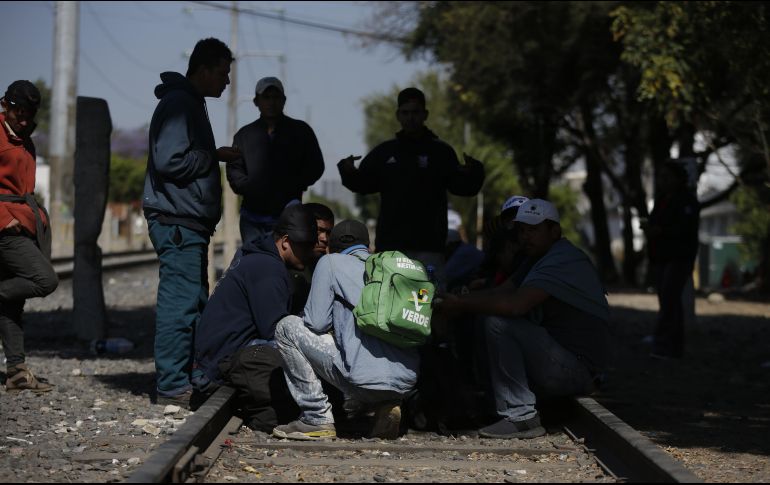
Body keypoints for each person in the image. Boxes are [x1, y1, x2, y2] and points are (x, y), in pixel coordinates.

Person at [434, 199, 610, 439]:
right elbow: (501, 292)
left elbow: (516, 305)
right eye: (523, 230)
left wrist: (460, 304)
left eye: (534, 230)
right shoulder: (537, 257)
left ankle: (521, 416)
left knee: (498, 325)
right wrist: (459, 300)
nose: (526, 237)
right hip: (560, 361)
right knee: (485, 316)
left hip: (579, 371)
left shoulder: (563, 259)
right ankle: (494, 406)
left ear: (554, 231)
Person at [142, 37, 242, 407]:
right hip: (178, 222)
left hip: (187, 223)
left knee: (194, 301)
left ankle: (188, 376)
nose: (227, 81)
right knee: (180, 305)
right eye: (222, 73)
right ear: (203, 70)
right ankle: (171, 385)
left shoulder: (189, 102)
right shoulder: (180, 104)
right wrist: (212, 156)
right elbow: (170, 161)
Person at [272, 220, 420, 440]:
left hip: (363, 381)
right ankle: (387, 405)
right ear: (367, 247)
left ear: (332, 247)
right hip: (405, 383)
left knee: (286, 328)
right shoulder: (390, 270)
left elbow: (316, 323)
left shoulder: (330, 262)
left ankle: (316, 417)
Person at [338, 87, 485, 288]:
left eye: (415, 112)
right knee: (388, 301)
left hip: (430, 249)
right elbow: (362, 184)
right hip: (391, 248)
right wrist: (347, 170)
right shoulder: (384, 152)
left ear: (425, 114)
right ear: (398, 115)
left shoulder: (441, 152)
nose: (410, 118)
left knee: (430, 301)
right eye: (405, 113)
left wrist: (475, 171)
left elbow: (463, 188)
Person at [194, 204, 318, 431]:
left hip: (215, 358)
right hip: (218, 365)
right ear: (285, 242)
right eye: (306, 246)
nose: (310, 252)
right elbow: (275, 331)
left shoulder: (257, 257)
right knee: (297, 349)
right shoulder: (268, 268)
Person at [0, 80, 58, 393]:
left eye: (29, 114)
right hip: (5, 227)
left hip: (24, 222)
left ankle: (16, 372)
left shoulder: (25, 140)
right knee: (45, 280)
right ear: (5, 105)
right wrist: (3, 219)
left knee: (12, 303)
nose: (23, 119)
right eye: (18, 112)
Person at [226, 76, 325, 245]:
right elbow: (234, 169)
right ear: (256, 101)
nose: (271, 102)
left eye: (276, 97)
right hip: (253, 218)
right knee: (254, 259)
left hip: (288, 217)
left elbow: (316, 166)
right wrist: (249, 187)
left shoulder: (301, 131)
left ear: (284, 100)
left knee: (285, 260)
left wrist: (294, 184)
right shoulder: (244, 135)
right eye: (266, 97)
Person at [644, 161, 700, 359]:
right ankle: (669, 342)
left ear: (678, 178)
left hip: (679, 256)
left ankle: (667, 344)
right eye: (661, 177)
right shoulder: (662, 199)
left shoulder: (686, 201)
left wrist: (661, 231)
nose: (663, 181)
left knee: (670, 299)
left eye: (667, 177)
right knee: (667, 299)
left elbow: (685, 229)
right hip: (662, 256)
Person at [288, 202, 334, 315]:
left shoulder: (329, 266)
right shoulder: (285, 262)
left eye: (328, 233)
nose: (324, 238)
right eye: (319, 230)